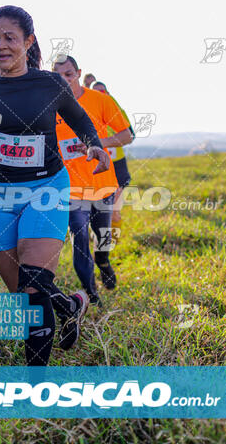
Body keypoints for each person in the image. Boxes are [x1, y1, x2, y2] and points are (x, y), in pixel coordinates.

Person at [0, 5, 110, 366]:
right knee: (22, 296)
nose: (1, 45)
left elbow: (80, 119)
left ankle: (34, 386)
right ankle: (72, 305)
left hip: (46, 189)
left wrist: (94, 144)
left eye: (10, 38)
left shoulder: (49, 83)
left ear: (28, 41)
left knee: (34, 288)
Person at [53, 57, 133, 306]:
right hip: (70, 188)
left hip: (102, 182)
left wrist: (96, 143)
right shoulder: (48, 105)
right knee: (80, 239)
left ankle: (104, 262)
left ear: (78, 73)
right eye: (59, 76)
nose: (65, 80)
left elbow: (126, 135)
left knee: (103, 237)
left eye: (69, 74)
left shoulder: (99, 100)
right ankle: (92, 294)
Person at [92, 81, 135, 227]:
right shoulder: (86, 108)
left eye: (103, 91)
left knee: (115, 207)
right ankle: (101, 235)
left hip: (117, 160)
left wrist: (107, 141)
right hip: (96, 161)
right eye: (96, 92)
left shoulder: (114, 108)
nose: (100, 94)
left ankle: (114, 238)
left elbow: (130, 134)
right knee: (99, 206)